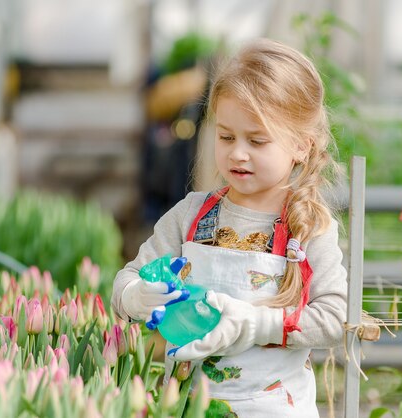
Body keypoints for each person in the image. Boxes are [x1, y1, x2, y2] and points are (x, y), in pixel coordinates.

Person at [111, 38, 348, 417]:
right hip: (190, 406)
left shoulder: (308, 227)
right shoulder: (190, 215)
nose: (238, 152)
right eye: (225, 136)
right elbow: (126, 282)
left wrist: (256, 324)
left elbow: (334, 320)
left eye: (257, 141)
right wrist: (138, 296)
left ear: (302, 146)